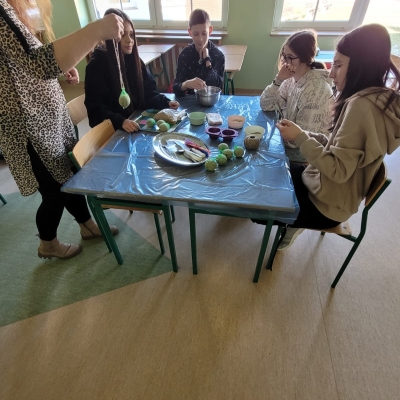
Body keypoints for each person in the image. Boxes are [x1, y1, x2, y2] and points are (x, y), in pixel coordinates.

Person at [0, 0, 123, 259]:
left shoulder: (11, 9)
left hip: (49, 118)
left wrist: (62, 66)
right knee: (55, 190)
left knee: (70, 174)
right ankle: (48, 243)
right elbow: (39, 63)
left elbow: (24, 62)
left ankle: (86, 224)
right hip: (29, 127)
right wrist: (97, 30)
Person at [266, 24, 400, 250]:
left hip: (327, 205)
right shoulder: (374, 98)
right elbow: (337, 146)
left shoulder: (361, 107)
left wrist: (300, 138)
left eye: (338, 65)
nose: (330, 72)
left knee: (260, 204)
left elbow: (338, 169)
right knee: (271, 175)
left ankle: (294, 223)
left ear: (361, 65)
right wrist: (303, 134)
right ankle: (291, 221)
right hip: (327, 189)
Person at [85, 8, 179, 132]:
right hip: (113, 131)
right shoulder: (97, 65)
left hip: (135, 123)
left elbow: (148, 93)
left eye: (131, 34)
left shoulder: (134, 60)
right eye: (122, 34)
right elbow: (95, 110)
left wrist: (165, 102)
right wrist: (120, 121)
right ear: (109, 37)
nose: (129, 40)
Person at [260, 30, 333, 163]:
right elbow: (266, 105)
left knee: (260, 156)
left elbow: (301, 141)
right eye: (284, 56)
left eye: (290, 57)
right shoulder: (291, 78)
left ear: (305, 59)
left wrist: (277, 134)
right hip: (289, 143)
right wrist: (278, 80)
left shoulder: (316, 90)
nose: (285, 62)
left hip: (304, 157)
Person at [173, 9, 225, 96]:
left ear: (210, 30)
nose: (200, 39)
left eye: (204, 33)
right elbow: (176, 88)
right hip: (190, 100)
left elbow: (218, 87)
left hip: (211, 101)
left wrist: (207, 60)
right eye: (196, 34)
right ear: (190, 32)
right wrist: (185, 84)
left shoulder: (218, 55)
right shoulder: (185, 54)